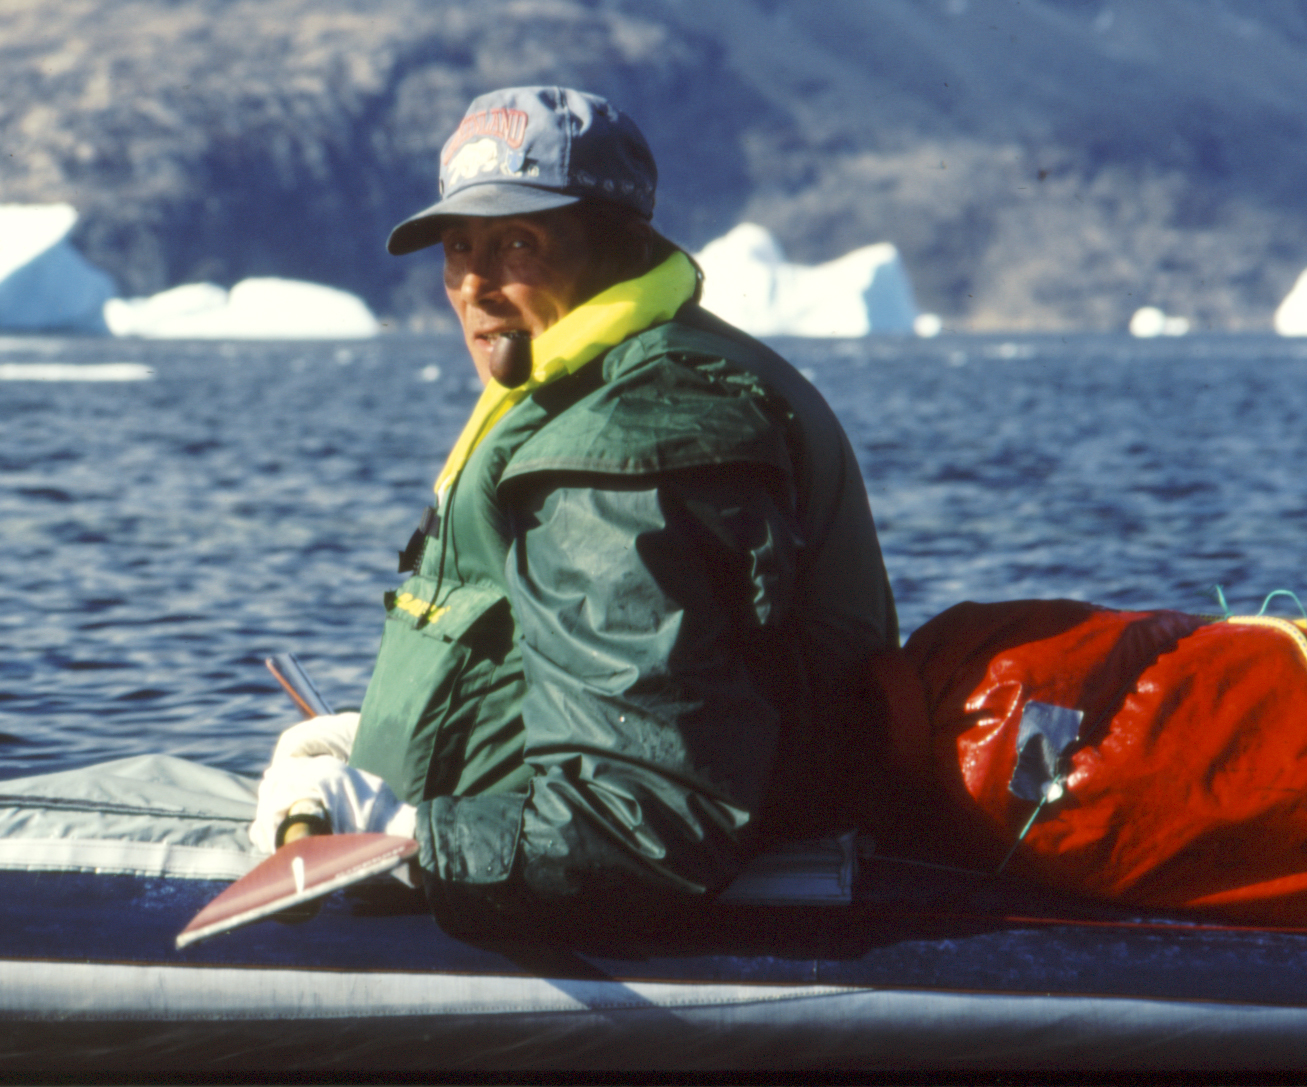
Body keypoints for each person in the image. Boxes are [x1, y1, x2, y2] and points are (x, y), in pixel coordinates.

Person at [250, 86, 898, 936]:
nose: (473, 283)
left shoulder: (633, 434)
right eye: (458, 245)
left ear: (620, 246)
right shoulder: (619, 380)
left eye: (516, 242)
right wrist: (379, 740)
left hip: (638, 901)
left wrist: (394, 835)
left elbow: (641, 816)